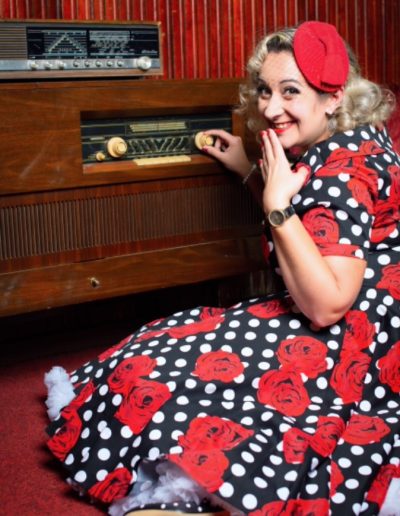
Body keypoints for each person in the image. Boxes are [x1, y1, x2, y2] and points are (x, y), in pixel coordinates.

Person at [44, 21, 400, 516]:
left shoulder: (342, 171)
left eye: (290, 92)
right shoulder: (361, 139)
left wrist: (275, 203)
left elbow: (326, 305)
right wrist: (253, 175)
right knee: (167, 342)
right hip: (380, 319)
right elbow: (317, 231)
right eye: (265, 90)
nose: (270, 108)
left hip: (355, 340)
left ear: (333, 97)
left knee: (156, 370)